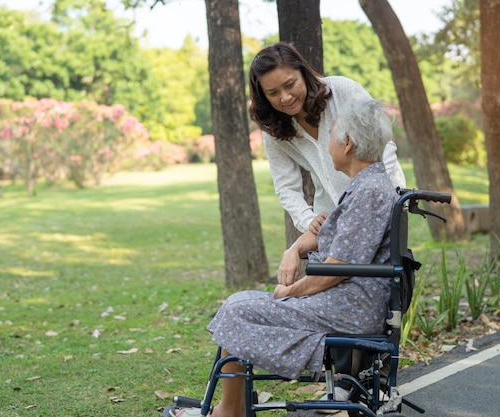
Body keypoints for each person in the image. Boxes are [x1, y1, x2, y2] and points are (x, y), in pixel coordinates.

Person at [167, 98, 399, 417]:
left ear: (347, 143)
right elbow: (337, 244)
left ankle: (228, 412)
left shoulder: (369, 191)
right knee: (238, 305)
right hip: (349, 303)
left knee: (239, 312)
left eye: (331, 136)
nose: (326, 144)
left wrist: (291, 291)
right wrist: (298, 248)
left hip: (351, 308)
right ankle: (230, 407)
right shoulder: (366, 186)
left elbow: (337, 270)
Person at [248, 41, 405, 235]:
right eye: (273, 93)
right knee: (326, 264)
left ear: (303, 74)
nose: (285, 97)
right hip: (330, 220)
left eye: (290, 84)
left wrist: (382, 198)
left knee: (378, 265)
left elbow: (384, 146)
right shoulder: (273, 129)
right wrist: (308, 220)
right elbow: (286, 186)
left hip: (380, 204)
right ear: (263, 96)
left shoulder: (343, 90)